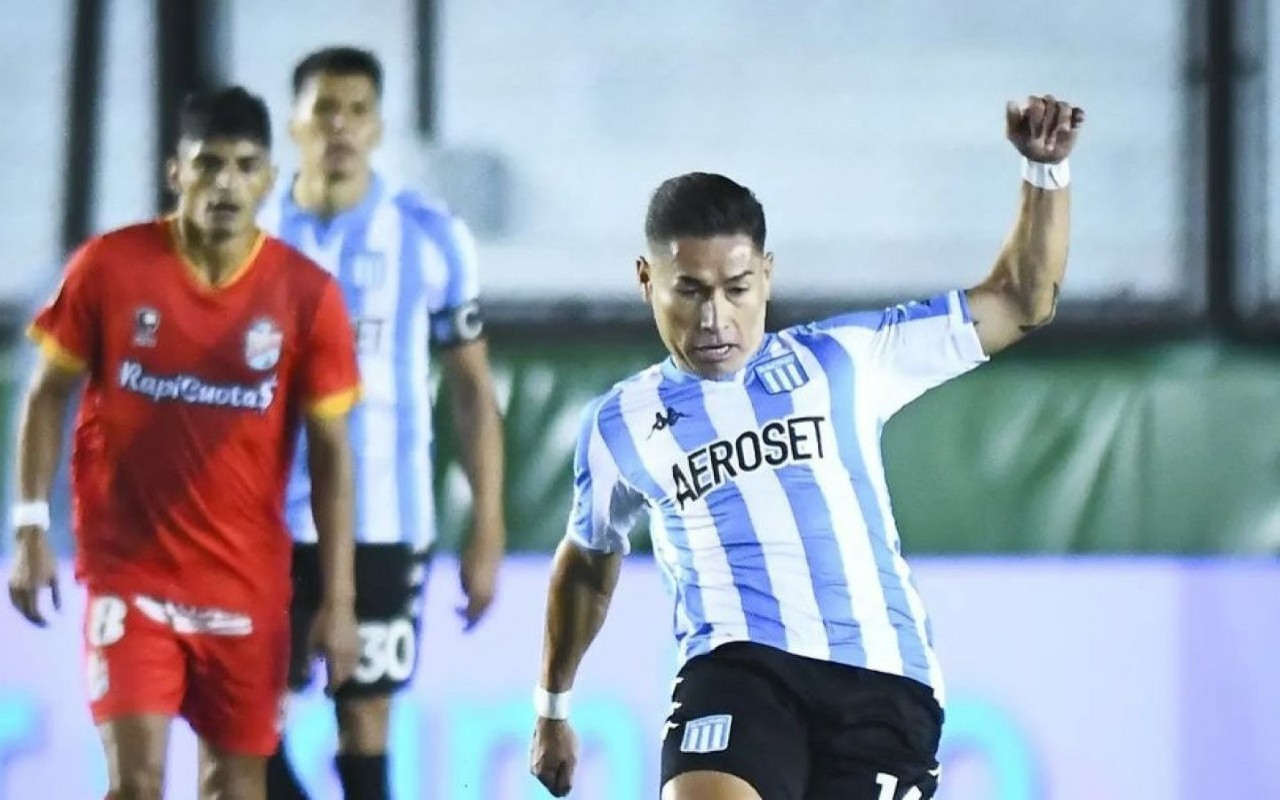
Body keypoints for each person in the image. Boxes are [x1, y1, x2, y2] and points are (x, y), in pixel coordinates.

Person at [529, 94, 1085, 800]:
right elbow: (586, 562)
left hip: (883, 684)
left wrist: (1045, 174)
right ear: (647, 281)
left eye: (736, 289)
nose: (715, 318)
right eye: (689, 291)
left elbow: (1021, 300)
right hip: (735, 670)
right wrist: (552, 709)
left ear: (768, 273)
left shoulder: (845, 359)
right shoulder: (621, 422)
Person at [5, 86, 362, 800]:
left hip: (246, 586)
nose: (225, 183)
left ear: (269, 178)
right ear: (176, 173)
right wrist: (31, 526)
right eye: (207, 165)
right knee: (135, 784)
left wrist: (341, 597)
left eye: (244, 165)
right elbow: (46, 394)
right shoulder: (110, 268)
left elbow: (330, 453)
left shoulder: (306, 296)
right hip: (129, 578)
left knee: (235, 788)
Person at [258, 47, 507, 800]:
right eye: (324, 109)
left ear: (379, 126)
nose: (340, 126)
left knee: (363, 726)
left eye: (357, 111)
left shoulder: (428, 234)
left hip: (384, 520)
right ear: (294, 122)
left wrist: (487, 523)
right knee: (244, 733)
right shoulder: (251, 232)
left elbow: (471, 388)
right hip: (259, 520)